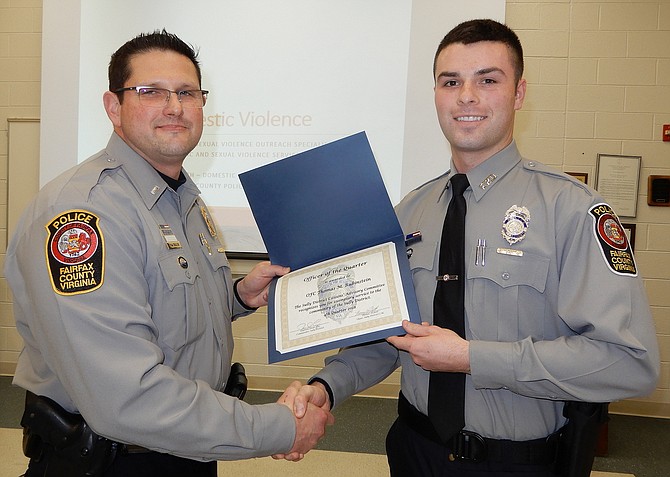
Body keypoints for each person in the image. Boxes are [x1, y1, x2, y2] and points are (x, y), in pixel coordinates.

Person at [286, 19, 660, 476]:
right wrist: (325, 386)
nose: (466, 96)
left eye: (487, 79)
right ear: (436, 94)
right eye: (451, 82)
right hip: (414, 450)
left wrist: (471, 358)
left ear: (519, 93)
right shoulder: (408, 213)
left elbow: (629, 363)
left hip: (516, 464)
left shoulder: (573, 211)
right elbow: (388, 339)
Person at [6, 30, 332, 477]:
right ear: (113, 107)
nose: (174, 106)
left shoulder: (183, 199)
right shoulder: (84, 213)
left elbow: (168, 302)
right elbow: (128, 397)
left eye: (187, 92)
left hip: (187, 450)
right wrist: (278, 427)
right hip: (112, 461)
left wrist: (237, 296)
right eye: (151, 92)